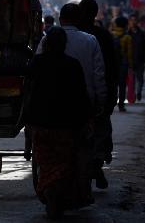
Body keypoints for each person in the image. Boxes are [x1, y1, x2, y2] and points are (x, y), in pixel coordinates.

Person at [37, 3, 107, 207]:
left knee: (52, 152)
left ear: (60, 20)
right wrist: (100, 103)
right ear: (79, 20)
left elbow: (34, 76)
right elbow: (98, 76)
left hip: (48, 109)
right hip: (79, 109)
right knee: (81, 150)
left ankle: (53, 187)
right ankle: (80, 190)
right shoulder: (90, 41)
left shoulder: (45, 41)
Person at [28, 26, 92, 218]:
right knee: (64, 162)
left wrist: (27, 120)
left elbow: (29, 94)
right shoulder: (72, 65)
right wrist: (86, 120)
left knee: (46, 162)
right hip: (66, 125)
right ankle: (56, 193)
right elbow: (81, 96)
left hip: (41, 124)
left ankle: (50, 191)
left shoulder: (36, 63)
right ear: (64, 45)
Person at [79, 0, 118, 189]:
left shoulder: (72, 36)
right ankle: (96, 164)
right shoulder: (103, 35)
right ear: (95, 14)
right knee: (100, 132)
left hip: (76, 96)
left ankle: (92, 167)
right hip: (99, 95)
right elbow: (113, 67)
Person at [112, 16, 133, 112]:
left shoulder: (111, 35)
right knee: (122, 85)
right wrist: (130, 65)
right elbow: (129, 53)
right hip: (123, 64)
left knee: (113, 84)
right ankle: (121, 104)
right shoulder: (127, 37)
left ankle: (112, 102)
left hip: (112, 63)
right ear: (125, 25)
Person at [128, 13, 145, 102]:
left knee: (140, 79)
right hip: (129, 60)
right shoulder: (127, 34)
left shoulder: (143, 34)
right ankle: (132, 95)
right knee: (131, 80)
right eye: (131, 20)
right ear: (129, 22)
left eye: (135, 20)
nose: (133, 22)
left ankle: (139, 92)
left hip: (140, 60)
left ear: (137, 22)